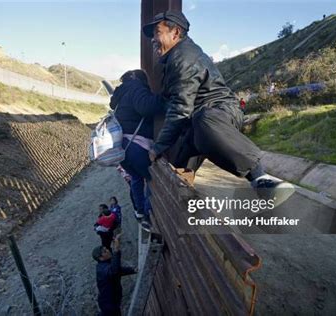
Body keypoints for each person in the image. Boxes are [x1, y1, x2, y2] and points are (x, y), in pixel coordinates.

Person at [142, 11, 295, 206]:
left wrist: (158, 146)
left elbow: (181, 108)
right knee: (178, 167)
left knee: (202, 121)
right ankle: (181, 205)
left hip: (219, 114)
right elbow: (174, 101)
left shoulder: (183, 57)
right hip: (196, 120)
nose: (153, 40)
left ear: (175, 33)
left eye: (157, 32)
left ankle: (262, 178)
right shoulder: (173, 59)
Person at [109, 70, 165, 231]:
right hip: (136, 145)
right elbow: (146, 108)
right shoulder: (137, 87)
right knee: (151, 178)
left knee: (135, 178)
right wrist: (164, 97)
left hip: (121, 146)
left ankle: (139, 212)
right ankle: (147, 215)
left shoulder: (121, 93)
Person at [92, 234, 137, 316]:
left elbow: (117, 271)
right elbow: (115, 271)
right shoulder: (102, 269)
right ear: (101, 258)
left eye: (106, 249)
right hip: (109, 305)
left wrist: (133, 270)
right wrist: (116, 250)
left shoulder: (105, 264)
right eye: (105, 251)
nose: (108, 251)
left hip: (111, 303)